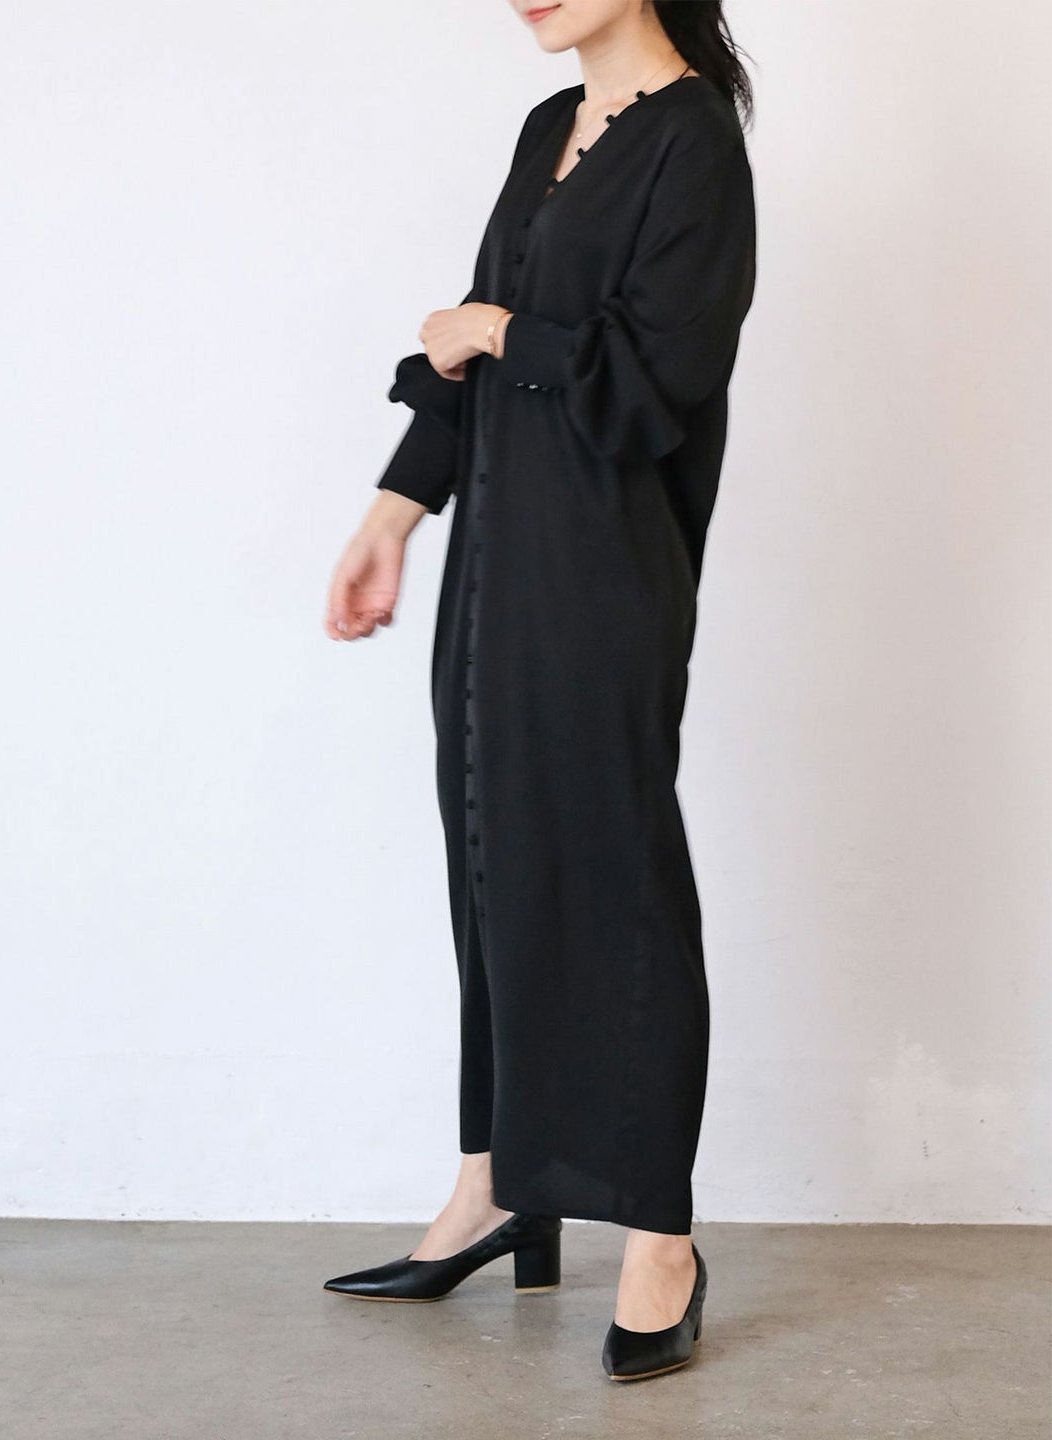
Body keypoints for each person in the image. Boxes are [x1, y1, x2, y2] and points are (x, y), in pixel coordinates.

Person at [322, 0, 757, 1383]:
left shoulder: (695, 145)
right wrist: (392, 517)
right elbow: (467, 368)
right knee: (491, 857)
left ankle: (661, 1240)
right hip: (494, 570)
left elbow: (652, 384)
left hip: (605, 574)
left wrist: (500, 327)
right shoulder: (548, 130)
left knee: (614, 878)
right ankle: (497, 1185)